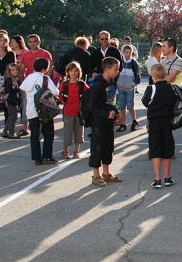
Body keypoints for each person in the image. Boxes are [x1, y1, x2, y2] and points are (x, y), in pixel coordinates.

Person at [141, 64, 179, 189]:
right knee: (167, 149)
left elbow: (145, 102)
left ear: (154, 76)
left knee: (155, 149)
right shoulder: (171, 88)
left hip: (154, 122)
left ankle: (157, 179)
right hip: (167, 121)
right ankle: (167, 177)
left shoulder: (152, 88)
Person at [89, 57, 122, 186]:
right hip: (99, 122)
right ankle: (96, 175)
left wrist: (115, 113)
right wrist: (105, 114)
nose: (117, 71)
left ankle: (106, 173)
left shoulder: (112, 83)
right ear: (107, 69)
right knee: (98, 148)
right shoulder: (97, 86)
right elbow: (93, 106)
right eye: (115, 69)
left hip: (109, 123)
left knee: (108, 148)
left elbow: (112, 101)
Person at [20, 57, 60, 164]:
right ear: (45, 68)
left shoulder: (28, 78)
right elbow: (55, 92)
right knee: (48, 133)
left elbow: (23, 88)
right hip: (44, 111)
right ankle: (47, 156)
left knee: (35, 135)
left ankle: (37, 157)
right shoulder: (45, 79)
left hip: (31, 110)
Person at [59, 62, 89, 159]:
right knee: (67, 132)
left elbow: (89, 93)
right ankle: (65, 150)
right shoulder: (64, 84)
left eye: (75, 71)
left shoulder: (81, 84)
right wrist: (61, 100)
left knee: (79, 132)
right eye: (71, 71)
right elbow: (58, 93)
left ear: (79, 72)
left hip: (79, 112)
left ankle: (76, 150)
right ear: (68, 72)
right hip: (68, 111)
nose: (73, 73)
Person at [116, 44, 140, 132]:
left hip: (130, 88)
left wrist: (133, 83)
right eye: (126, 52)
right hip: (121, 87)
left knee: (130, 105)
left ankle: (134, 120)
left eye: (130, 52)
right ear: (123, 52)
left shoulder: (133, 63)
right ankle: (123, 123)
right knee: (122, 106)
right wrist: (117, 82)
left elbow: (137, 75)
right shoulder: (120, 62)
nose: (128, 54)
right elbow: (116, 73)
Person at [1, 64, 20, 139]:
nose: (15, 71)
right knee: (13, 117)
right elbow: (8, 90)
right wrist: (18, 90)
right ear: (9, 71)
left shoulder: (15, 79)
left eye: (16, 70)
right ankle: (11, 132)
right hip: (10, 100)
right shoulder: (9, 79)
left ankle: (5, 131)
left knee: (11, 116)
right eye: (13, 70)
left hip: (14, 99)